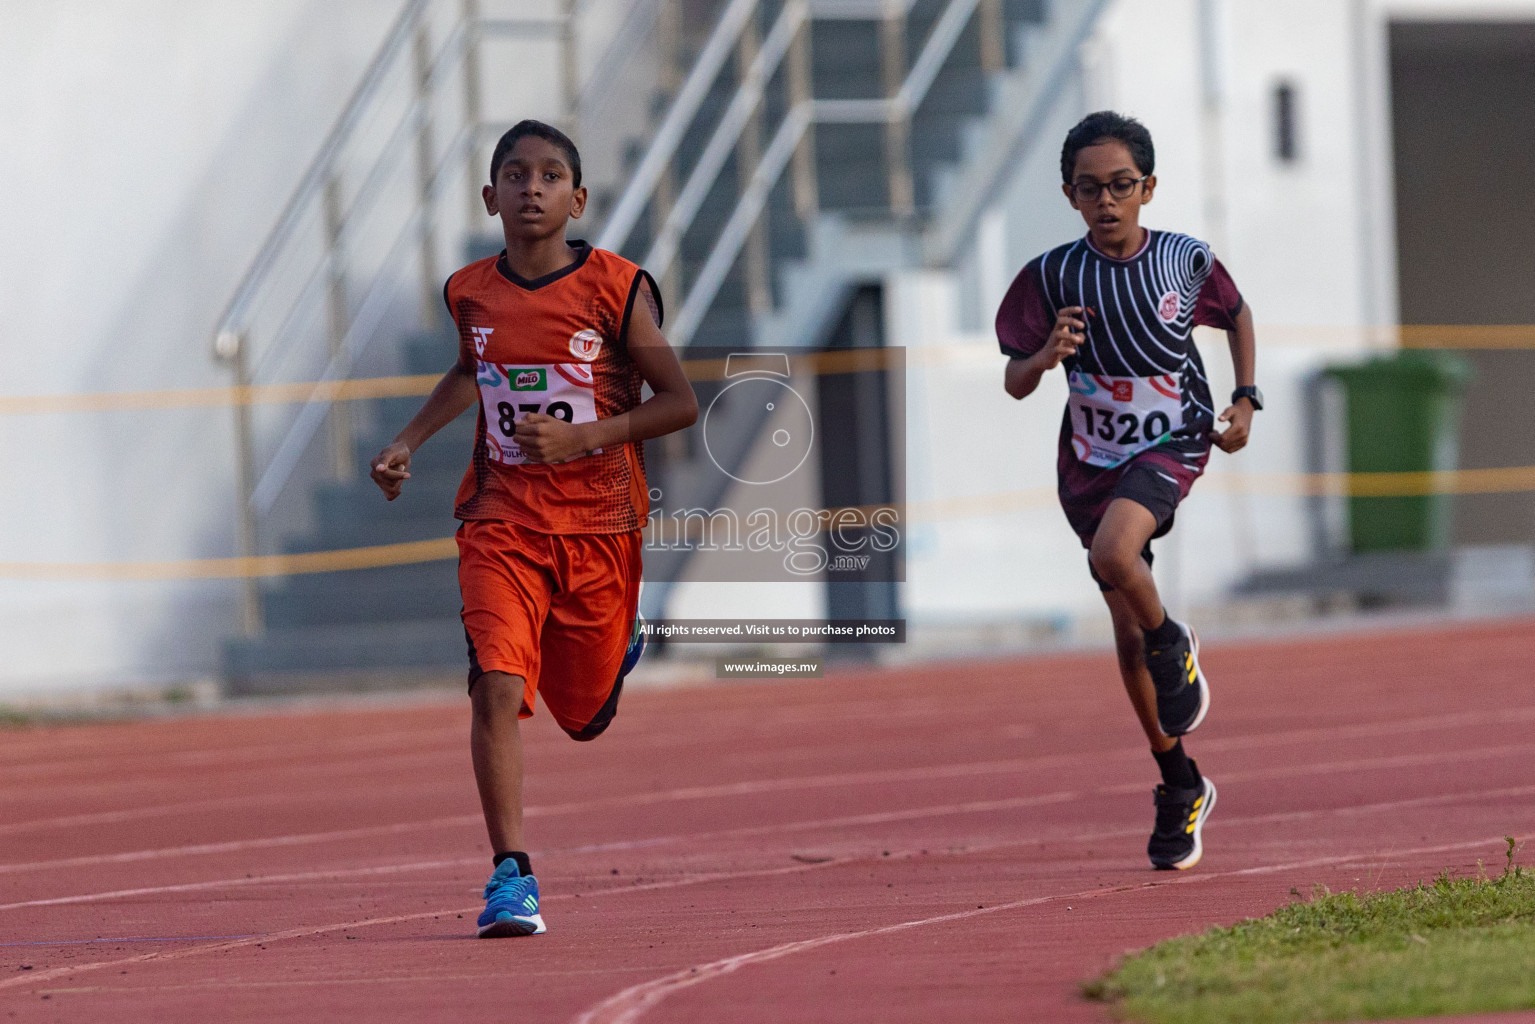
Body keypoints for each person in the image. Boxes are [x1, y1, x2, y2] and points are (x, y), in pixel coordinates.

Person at [370, 120, 698, 935]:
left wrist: (584, 436)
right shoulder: (469, 290)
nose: (531, 189)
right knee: (494, 685)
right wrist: (407, 441)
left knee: (582, 718)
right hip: (502, 519)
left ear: (577, 198)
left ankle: (616, 642)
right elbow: (469, 368)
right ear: (490, 197)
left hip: (598, 526)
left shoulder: (618, 290)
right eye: (514, 175)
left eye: (550, 176)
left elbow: (679, 402)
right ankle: (510, 876)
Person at [995, 110, 1259, 871]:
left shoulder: (1183, 260)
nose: (1105, 202)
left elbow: (1236, 315)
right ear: (1068, 195)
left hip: (1172, 438)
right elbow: (1014, 383)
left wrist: (1244, 397)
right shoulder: (1049, 277)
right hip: (1088, 460)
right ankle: (1180, 781)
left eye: (1119, 186)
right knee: (1121, 630)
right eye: (1088, 189)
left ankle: (1173, 643)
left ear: (1147, 188)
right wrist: (1045, 354)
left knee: (1117, 555)